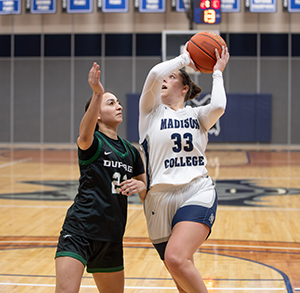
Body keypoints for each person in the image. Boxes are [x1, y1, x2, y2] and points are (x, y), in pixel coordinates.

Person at [138, 43, 230, 293]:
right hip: (158, 200)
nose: (165, 79)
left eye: (173, 77)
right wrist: (184, 59)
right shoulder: (150, 113)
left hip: (196, 190)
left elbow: (220, 106)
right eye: (166, 77)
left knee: (176, 259)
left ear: (185, 88)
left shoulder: (198, 115)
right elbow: (154, 75)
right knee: (181, 274)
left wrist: (217, 72)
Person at [55, 62, 146, 293]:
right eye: (111, 102)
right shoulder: (92, 143)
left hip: (112, 235)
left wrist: (141, 184)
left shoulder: (131, 151)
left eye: (118, 102)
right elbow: (83, 133)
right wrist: (97, 92)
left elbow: (146, 193)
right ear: (96, 115)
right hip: (80, 230)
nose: (119, 106)